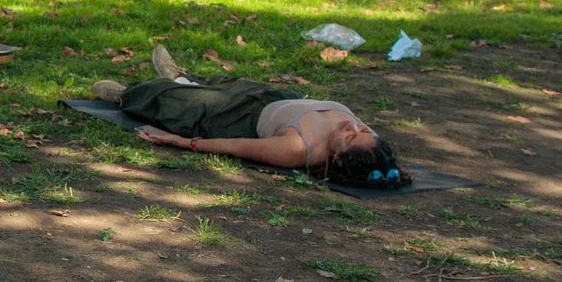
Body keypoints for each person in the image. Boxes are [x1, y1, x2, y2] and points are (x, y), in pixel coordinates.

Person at [93, 45, 406, 191]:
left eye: (351, 136)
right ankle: (181, 77)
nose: (353, 126)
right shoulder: (367, 141)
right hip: (274, 100)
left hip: (238, 117)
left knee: (178, 104)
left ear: (337, 158)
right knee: (221, 83)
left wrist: (179, 141)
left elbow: (236, 146)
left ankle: (127, 94)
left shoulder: (298, 150)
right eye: (363, 128)